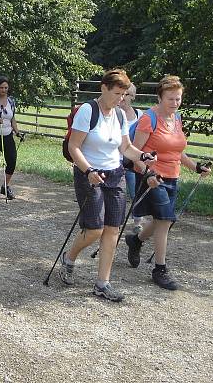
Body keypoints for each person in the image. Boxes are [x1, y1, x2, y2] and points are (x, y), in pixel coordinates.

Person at [59, 68, 157, 302]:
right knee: (94, 229)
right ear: (103, 88)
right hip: (89, 174)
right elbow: (74, 147)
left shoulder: (121, 115)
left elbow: (126, 148)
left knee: (112, 229)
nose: (120, 99)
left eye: (123, 95)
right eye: (116, 94)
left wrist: (142, 156)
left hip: (115, 174)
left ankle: (102, 283)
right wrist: (89, 170)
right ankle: (69, 258)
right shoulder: (87, 111)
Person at [125, 75, 211, 290]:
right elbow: (135, 155)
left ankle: (136, 240)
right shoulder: (149, 119)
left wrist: (196, 167)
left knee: (163, 219)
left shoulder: (177, 118)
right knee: (164, 221)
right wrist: (149, 174)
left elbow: (177, 152)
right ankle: (160, 269)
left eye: (178, 99)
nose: (175, 103)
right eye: (171, 99)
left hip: (173, 176)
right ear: (160, 97)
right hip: (152, 177)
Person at [120, 83, 144, 233]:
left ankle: (137, 221)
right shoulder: (113, 112)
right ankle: (116, 220)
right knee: (119, 192)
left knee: (135, 190)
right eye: (121, 93)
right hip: (115, 161)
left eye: (127, 94)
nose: (123, 97)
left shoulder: (140, 115)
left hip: (132, 160)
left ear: (133, 97)